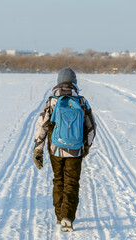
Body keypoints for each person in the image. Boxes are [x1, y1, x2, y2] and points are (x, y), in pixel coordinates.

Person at [33, 67, 97, 232]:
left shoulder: (52, 101)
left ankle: (59, 216)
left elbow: (42, 126)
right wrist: (86, 146)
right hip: (76, 150)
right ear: (75, 83)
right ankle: (67, 216)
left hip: (56, 149)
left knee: (58, 180)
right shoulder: (82, 101)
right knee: (72, 182)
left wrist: (37, 150)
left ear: (58, 82)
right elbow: (91, 127)